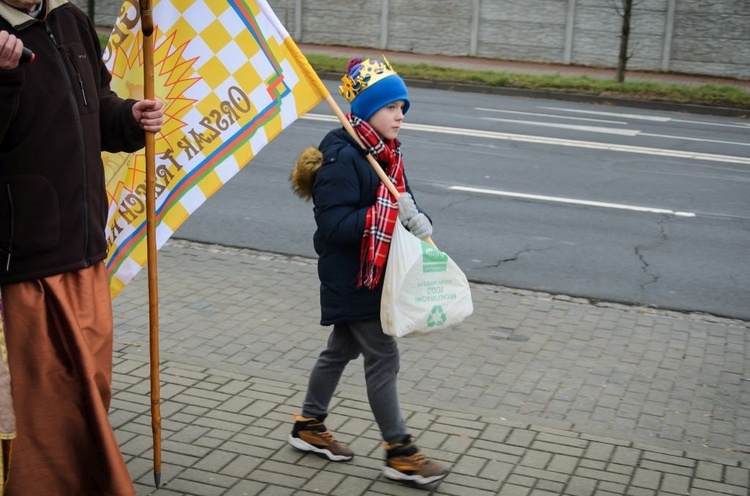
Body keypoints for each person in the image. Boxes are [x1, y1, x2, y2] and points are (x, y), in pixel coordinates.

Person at [0, 0, 164, 494]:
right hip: (27, 261)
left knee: (91, 388)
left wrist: (129, 118)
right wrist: (4, 77)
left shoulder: (70, 19)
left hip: (87, 247)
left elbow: (97, 102)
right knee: (47, 410)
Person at [288, 56, 448, 485]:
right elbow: (334, 226)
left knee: (340, 349)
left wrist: (418, 218)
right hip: (353, 276)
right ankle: (399, 451)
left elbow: (403, 200)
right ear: (365, 111)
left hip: (375, 274)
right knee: (383, 355)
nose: (400, 116)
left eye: (402, 108)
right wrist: (389, 215)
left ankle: (309, 425)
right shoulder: (341, 157)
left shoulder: (384, 154)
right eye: (392, 107)